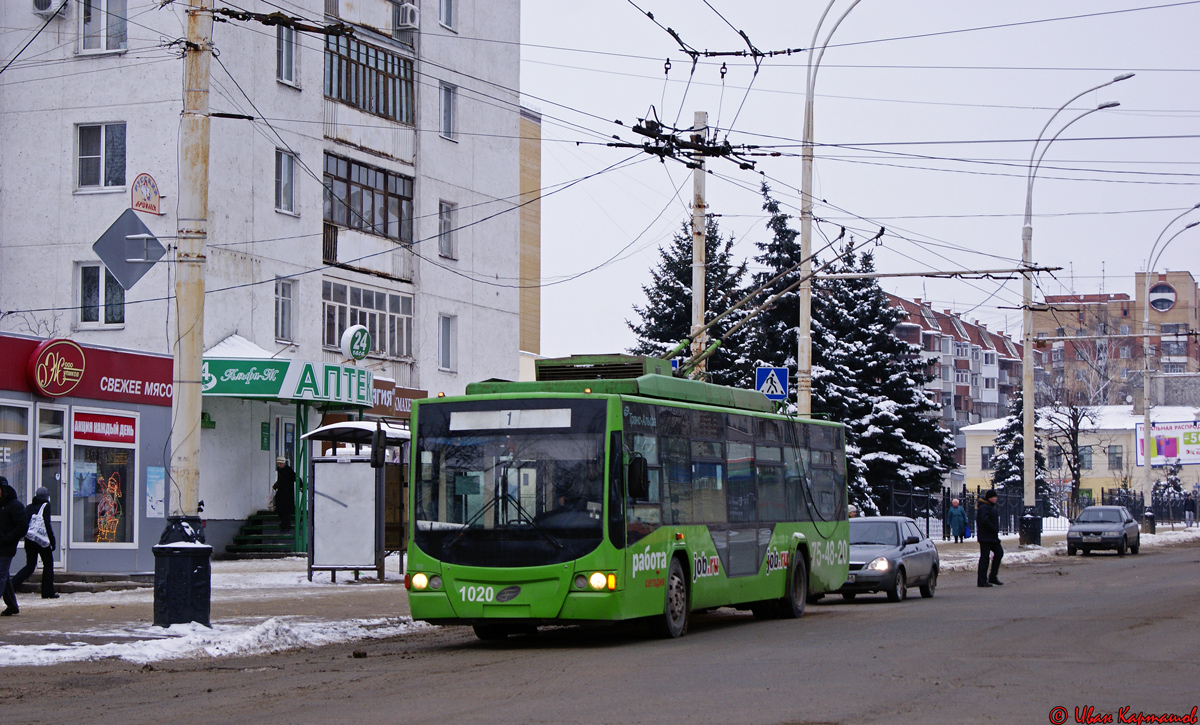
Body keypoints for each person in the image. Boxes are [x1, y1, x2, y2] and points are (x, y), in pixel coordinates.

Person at [12, 487, 57, 599]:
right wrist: (52, 540)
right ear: (46, 496)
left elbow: (24, 523)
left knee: (30, 566)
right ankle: (47, 592)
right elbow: (47, 524)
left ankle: (11, 585)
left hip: (29, 539)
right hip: (41, 540)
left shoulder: (29, 507)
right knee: (48, 564)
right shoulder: (45, 506)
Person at [0, 477, 29, 616]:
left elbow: (22, 526)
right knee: (3, 576)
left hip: (5, 548)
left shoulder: (15, 505)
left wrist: (8, 538)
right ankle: (12, 605)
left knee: (0, 575)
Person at [976, 489, 1003, 588]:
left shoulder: (991, 507)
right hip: (985, 537)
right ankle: (982, 580)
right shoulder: (984, 508)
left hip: (992, 537)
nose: (996, 498)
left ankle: (992, 576)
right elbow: (984, 520)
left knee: (999, 553)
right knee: (984, 558)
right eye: (994, 497)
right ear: (990, 498)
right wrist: (993, 528)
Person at [273, 457, 296, 533]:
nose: (279, 465)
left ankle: (286, 526)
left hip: (286, 494)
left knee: (285, 511)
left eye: (281, 463)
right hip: (284, 494)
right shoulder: (282, 470)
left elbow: (283, 481)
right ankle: (284, 524)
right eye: (278, 463)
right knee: (281, 510)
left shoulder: (287, 471)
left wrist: (276, 485)